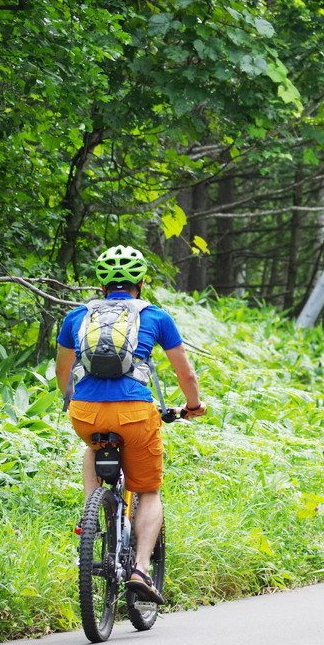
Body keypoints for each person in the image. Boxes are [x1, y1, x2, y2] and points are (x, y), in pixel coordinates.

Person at [55, 245, 207, 605]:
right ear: (141, 281)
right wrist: (192, 406)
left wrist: (71, 401)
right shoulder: (155, 316)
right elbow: (185, 372)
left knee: (92, 448)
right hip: (136, 415)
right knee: (149, 491)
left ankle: (91, 514)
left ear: (102, 284)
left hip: (86, 413)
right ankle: (139, 569)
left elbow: (63, 372)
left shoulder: (77, 315)